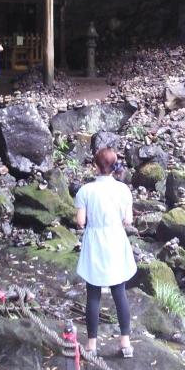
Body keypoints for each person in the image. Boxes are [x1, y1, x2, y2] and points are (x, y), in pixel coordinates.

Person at [74, 147, 136, 358]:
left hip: (95, 241)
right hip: (116, 240)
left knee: (93, 293)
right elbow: (128, 220)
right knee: (119, 292)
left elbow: (80, 222)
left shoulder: (86, 191)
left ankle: (91, 346)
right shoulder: (123, 190)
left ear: (95, 166)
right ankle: (125, 343)